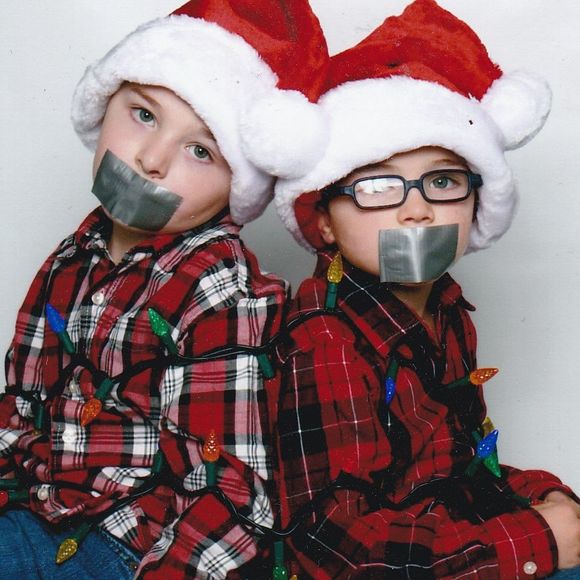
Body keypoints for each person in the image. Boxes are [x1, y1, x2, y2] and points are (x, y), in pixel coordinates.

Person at [0, 1, 330, 578]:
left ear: (236, 188)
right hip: (41, 508)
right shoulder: (73, 256)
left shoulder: (217, 286)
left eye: (200, 151)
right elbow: (20, 407)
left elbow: (231, 492)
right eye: (144, 115)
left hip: (129, 542)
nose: (150, 160)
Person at [271, 1, 580, 577]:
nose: (417, 210)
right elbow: (334, 543)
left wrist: (543, 496)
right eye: (378, 187)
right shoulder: (324, 338)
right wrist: (534, 541)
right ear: (326, 220)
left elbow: (455, 472)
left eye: (441, 180)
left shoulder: (448, 311)